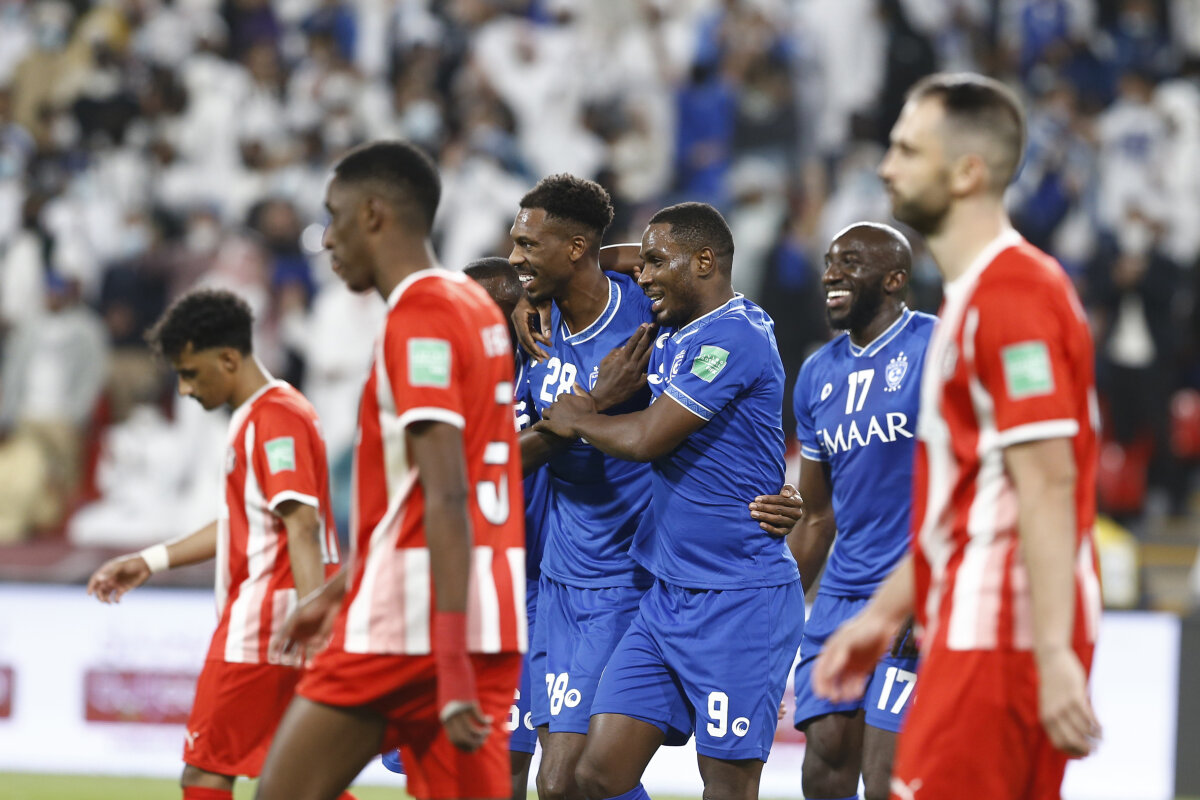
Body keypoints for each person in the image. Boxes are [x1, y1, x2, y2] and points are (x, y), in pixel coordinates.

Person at [814, 73, 1103, 800]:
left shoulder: (1015, 294)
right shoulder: (967, 304)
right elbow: (964, 505)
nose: (886, 167)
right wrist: (880, 616)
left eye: (908, 150)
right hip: (966, 616)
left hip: (1003, 628)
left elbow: (1048, 482)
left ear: (968, 172)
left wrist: (1053, 655)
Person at [508, 177, 802, 800]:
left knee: (720, 786)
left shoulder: (708, 328)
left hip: (716, 591)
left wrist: (582, 413)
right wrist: (530, 295)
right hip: (644, 590)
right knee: (586, 778)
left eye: (657, 263)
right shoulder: (658, 325)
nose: (643, 276)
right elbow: (620, 260)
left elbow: (647, 438)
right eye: (640, 263)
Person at [254, 140, 526, 800]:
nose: (327, 238)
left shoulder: (421, 315)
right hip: (486, 611)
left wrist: (447, 660)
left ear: (374, 214)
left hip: (411, 623)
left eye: (334, 216)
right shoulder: (475, 308)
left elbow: (448, 492)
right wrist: (338, 589)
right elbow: (435, 491)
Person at [86, 288, 342, 800]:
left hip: (263, 627)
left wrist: (313, 614)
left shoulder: (274, 417)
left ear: (227, 359)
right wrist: (151, 560)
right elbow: (245, 521)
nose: (183, 389)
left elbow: (302, 524)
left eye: (190, 373)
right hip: (283, 621)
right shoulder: (264, 413)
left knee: (205, 773)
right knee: (297, 783)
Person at [786, 222, 935, 800]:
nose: (831, 274)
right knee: (823, 766)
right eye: (829, 262)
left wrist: (931, 589)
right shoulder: (816, 375)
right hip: (841, 599)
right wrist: (776, 610)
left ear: (894, 279)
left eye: (849, 262)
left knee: (887, 776)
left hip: (911, 590)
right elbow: (816, 517)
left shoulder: (935, 348)